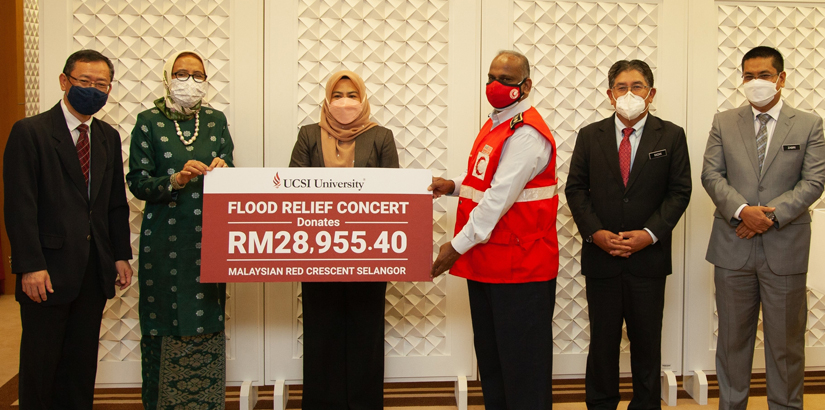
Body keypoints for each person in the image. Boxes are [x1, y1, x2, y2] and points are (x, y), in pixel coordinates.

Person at [4, 49, 133, 410]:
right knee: (41, 366)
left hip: (93, 270)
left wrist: (120, 254)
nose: (93, 90)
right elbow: (19, 205)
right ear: (65, 81)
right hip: (46, 271)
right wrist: (30, 264)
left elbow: (113, 203)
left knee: (80, 367)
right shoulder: (30, 132)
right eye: (85, 82)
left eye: (101, 84)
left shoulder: (107, 135)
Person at [430, 50, 557, 410]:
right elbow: (485, 181)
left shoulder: (528, 134)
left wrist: (454, 247)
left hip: (522, 269)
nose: (495, 86)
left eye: (506, 79)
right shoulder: (498, 123)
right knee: (494, 363)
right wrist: (451, 185)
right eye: (491, 78)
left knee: (523, 371)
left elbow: (497, 200)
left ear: (526, 85)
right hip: (489, 264)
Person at [702, 46, 825, 410]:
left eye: (764, 76)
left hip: (785, 248)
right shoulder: (724, 121)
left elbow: (814, 180)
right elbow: (711, 174)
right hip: (731, 248)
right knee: (732, 342)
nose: (756, 83)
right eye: (749, 76)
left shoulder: (808, 124)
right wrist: (742, 211)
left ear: (781, 79)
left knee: (786, 345)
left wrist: (766, 217)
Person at [565, 59, 692, 410]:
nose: (629, 93)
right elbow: (575, 190)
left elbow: (679, 192)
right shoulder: (590, 135)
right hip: (601, 258)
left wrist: (649, 234)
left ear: (651, 93)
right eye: (621, 87)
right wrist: (596, 234)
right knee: (602, 343)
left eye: (637, 86)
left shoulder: (671, 135)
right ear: (610, 94)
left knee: (647, 343)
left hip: (648, 260)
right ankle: (601, 404)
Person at [126, 50, 234, 409]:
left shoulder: (216, 121)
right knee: (164, 321)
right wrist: (176, 178)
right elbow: (138, 183)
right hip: (164, 240)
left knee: (207, 317)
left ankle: (205, 401)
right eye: (182, 73)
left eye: (198, 75)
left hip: (209, 239)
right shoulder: (147, 121)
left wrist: (223, 167)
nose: (190, 81)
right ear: (167, 77)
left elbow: (231, 166)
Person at [289, 70, 399, 409]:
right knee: (323, 335)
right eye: (338, 95)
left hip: (369, 257)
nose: (345, 102)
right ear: (327, 99)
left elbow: (394, 196)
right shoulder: (308, 135)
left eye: (352, 95)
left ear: (363, 99)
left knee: (365, 335)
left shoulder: (381, 136)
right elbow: (293, 193)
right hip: (318, 255)